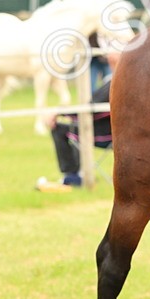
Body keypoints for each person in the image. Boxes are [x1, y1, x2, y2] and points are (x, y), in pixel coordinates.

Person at [36, 49, 119, 192]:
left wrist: (58, 113)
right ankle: (74, 174)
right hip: (103, 128)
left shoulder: (116, 83)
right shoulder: (113, 81)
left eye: (114, 56)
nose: (109, 58)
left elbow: (90, 110)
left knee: (64, 129)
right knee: (70, 126)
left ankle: (74, 175)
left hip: (107, 134)